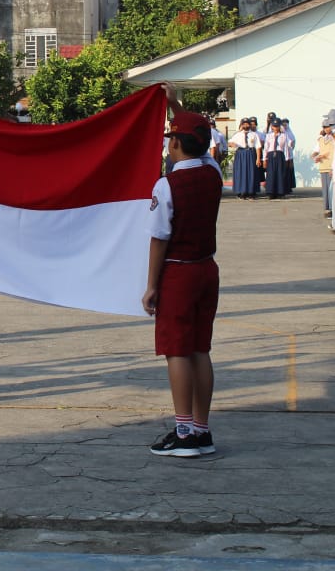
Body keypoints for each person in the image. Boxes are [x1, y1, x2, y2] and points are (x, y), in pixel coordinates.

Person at [143, 92, 224, 458]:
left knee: (176, 351)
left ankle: (184, 430)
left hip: (178, 272)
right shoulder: (213, 172)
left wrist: (151, 286)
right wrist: (176, 107)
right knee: (199, 350)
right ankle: (202, 429)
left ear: (175, 143)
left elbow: (159, 239)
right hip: (207, 269)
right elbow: (202, 143)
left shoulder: (167, 185)